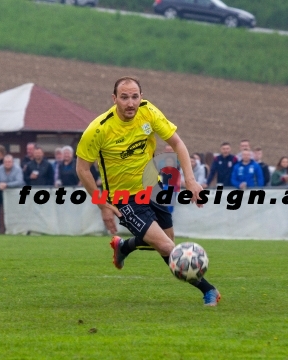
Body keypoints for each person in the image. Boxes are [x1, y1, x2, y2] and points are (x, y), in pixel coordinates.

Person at [76, 76, 220, 306]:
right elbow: (82, 169)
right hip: (124, 198)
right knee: (167, 247)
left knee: (167, 241)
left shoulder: (148, 112)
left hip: (153, 186)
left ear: (141, 97)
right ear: (114, 99)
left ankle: (125, 246)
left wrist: (191, 181)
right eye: (124, 97)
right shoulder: (99, 129)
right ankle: (208, 290)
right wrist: (102, 204)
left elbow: (178, 144)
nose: (130, 103)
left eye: (135, 96)